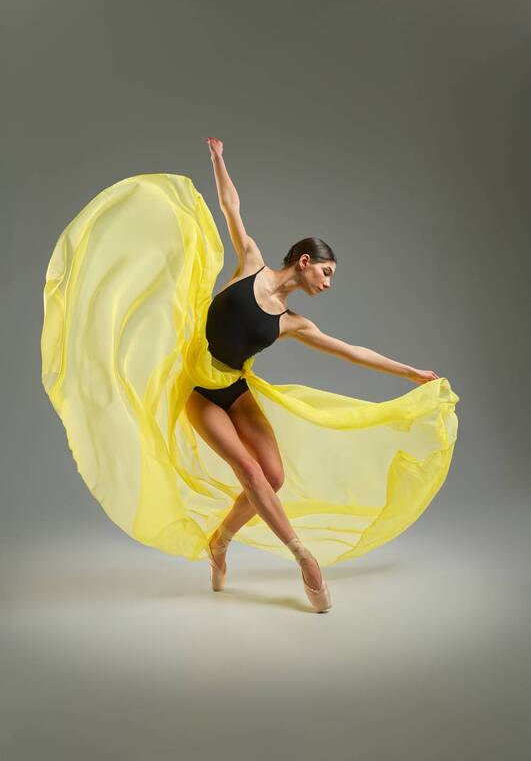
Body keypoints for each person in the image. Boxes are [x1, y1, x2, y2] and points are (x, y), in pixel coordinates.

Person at [41, 139, 459, 615]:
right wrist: (219, 160)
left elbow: (351, 352)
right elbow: (230, 207)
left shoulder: (293, 323)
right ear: (304, 261)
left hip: (235, 391)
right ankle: (304, 559)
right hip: (200, 392)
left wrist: (410, 372)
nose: (327, 283)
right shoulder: (251, 263)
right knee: (249, 470)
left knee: (273, 477)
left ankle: (220, 540)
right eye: (325, 272)